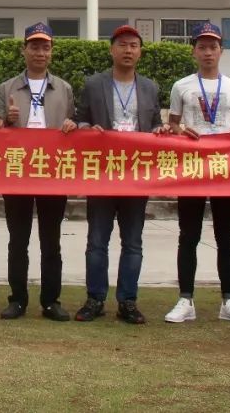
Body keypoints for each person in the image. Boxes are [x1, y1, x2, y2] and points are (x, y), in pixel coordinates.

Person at [74, 25, 167, 325]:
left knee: (133, 243)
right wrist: (87, 129)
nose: (128, 50)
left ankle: (128, 301)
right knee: (97, 241)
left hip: (136, 177)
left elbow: (154, 124)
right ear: (112, 50)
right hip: (102, 174)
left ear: (140, 52)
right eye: (123, 45)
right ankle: (95, 299)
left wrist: (159, 131)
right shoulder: (93, 84)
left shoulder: (150, 87)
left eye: (134, 45)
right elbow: (80, 120)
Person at [165, 21, 230, 324]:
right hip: (191, 168)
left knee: (226, 236)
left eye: (212, 46)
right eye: (201, 47)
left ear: (221, 51)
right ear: (194, 51)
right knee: (188, 235)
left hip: (224, 169)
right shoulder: (181, 86)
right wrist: (178, 130)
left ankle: (229, 300)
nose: (207, 52)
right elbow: (173, 123)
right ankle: (185, 299)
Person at [0, 22, 77, 321]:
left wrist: (71, 126)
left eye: (45, 47)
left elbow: (74, 128)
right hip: (17, 171)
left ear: (51, 52)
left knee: (51, 239)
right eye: (34, 46)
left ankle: (51, 300)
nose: (40, 52)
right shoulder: (7, 88)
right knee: (18, 239)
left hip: (52, 171)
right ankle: (18, 299)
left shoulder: (64, 88)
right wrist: (5, 119)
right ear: (24, 50)